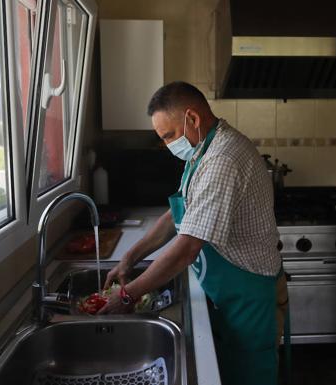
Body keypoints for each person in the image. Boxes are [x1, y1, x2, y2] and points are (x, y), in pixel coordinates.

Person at [98, 81, 288, 385]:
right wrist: (129, 259)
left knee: (249, 373)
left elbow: (187, 248)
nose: (168, 145)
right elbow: (177, 216)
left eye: (169, 135)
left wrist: (128, 294)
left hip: (249, 292)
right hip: (228, 290)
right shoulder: (202, 152)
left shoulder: (223, 159)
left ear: (193, 119)